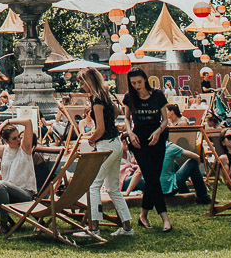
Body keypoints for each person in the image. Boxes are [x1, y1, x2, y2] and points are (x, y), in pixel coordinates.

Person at [76, 68, 133, 240]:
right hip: (115, 143)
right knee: (113, 188)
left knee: (94, 185)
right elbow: (117, 113)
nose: (81, 86)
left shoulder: (96, 100)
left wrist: (92, 138)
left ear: (89, 82)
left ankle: (94, 228)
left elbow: (100, 129)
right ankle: (126, 226)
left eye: (82, 82)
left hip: (105, 145)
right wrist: (106, 125)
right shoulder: (105, 97)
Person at [124, 67, 173, 232]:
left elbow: (165, 120)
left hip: (157, 138)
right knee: (151, 177)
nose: (137, 85)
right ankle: (164, 217)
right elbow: (126, 118)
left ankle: (143, 215)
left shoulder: (158, 95)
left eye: (139, 82)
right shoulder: (129, 97)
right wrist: (130, 133)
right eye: (133, 83)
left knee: (153, 178)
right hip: (138, 140)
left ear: (145, 79)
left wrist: (159, 131)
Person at [0, 119, 36, 231]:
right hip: (6, 193)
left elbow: (29, 122)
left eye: (18, 137)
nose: (18, 140)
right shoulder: (3, 150)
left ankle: (4, 225)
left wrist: (7, 121)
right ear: (6, 141)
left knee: (1, 184)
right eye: (14, 138)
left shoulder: (25, 149)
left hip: (25, 194)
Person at [159, 138, 209, 203]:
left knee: (174, 164)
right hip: (169, 190)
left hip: (156, 190)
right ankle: (203, 197)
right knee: (192, 162)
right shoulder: (170, 147)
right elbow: (196, 157)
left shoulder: (150, 148)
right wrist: (196, 169)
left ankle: (185, 192)